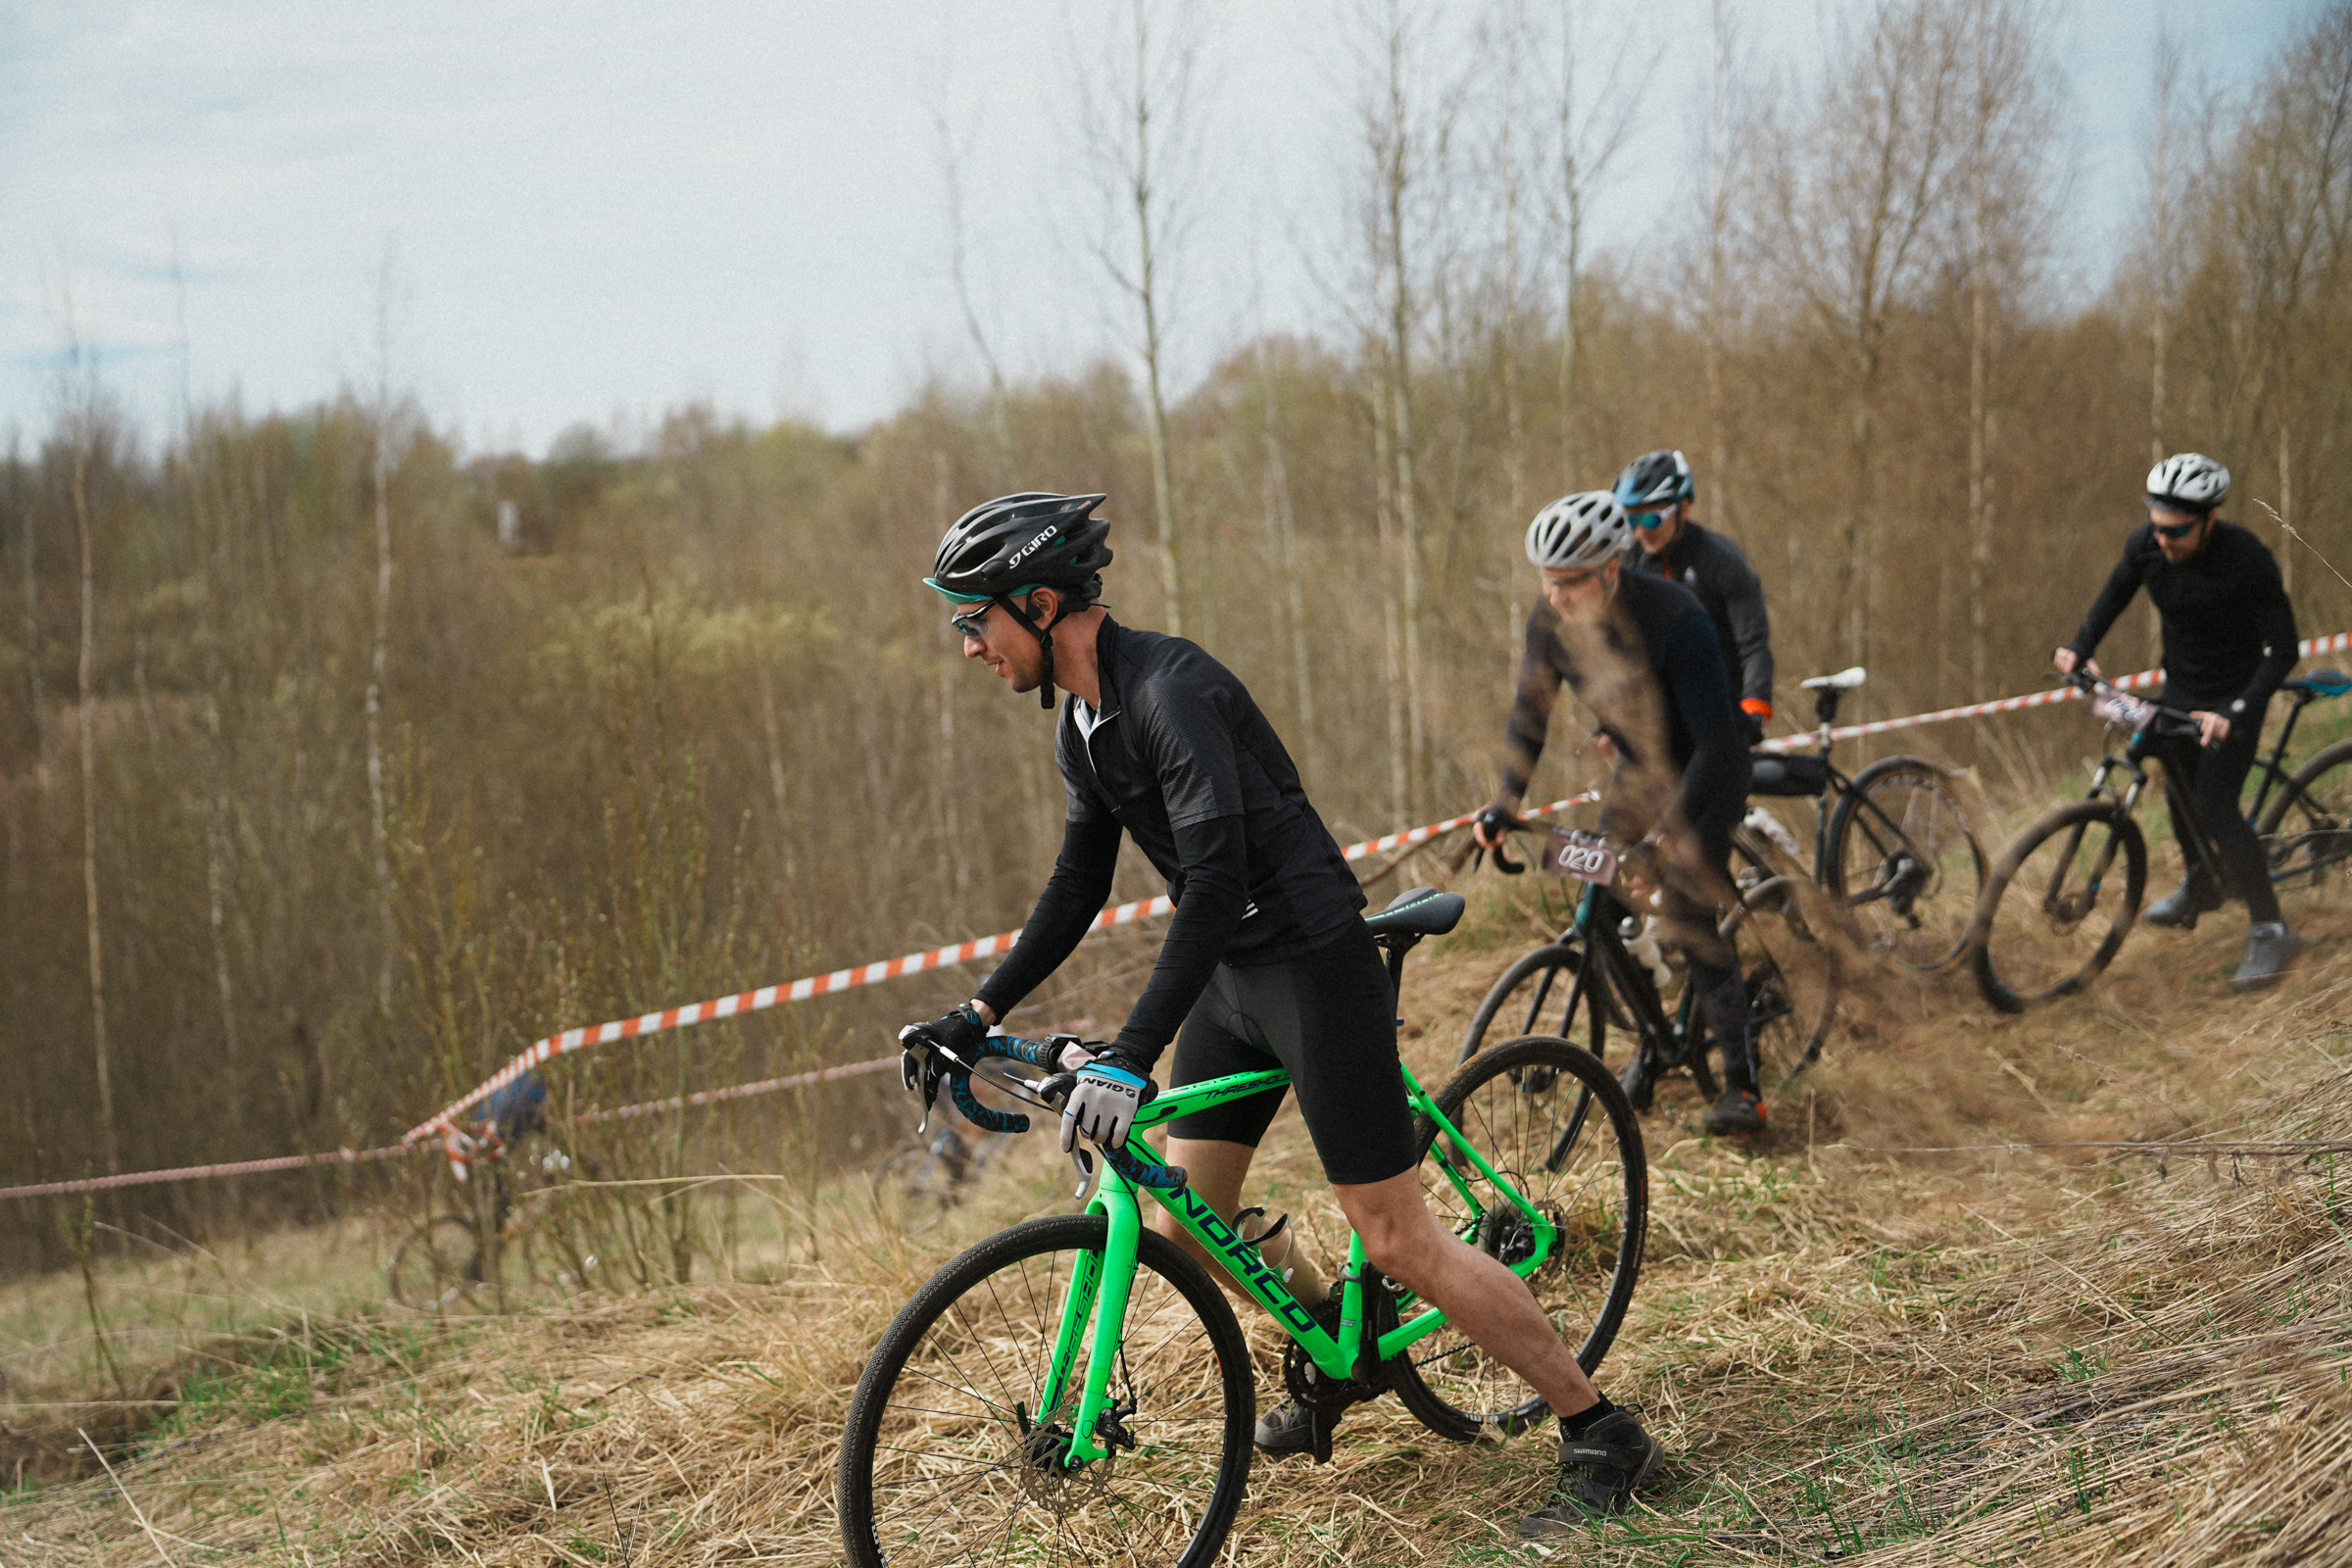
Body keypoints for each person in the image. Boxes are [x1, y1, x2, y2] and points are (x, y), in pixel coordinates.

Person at [896, 491, 1663, 1530]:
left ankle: (1604, 1432)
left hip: (1310, 963)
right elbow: (1078, 883)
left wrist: (1128, 1054)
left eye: (973, 617)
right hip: (1233, 979)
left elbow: (1212, 885)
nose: (971, 644)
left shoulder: (1172, 690)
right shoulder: (1085, 717)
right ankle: (1333, 1347)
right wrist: (977, 1010)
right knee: (1189, 1224)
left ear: (1036, 602)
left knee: (1397, 1239)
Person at [1471, 491, 1764, 1138]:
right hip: (1639, 774)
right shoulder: (1549, 622)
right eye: (1547, 582)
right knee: (1602, 904)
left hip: (1707, 773)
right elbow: (1530, 713)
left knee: (1688, 910)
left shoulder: (1675, 618)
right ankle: (1654, 1046)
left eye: (1569, 583)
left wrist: (1661, 846)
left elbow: (1717, 746)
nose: (1555, 597)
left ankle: (1744, 1086)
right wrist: (1505, 803)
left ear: (1608, 569)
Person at [2054, 453, 2304, 990]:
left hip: (2234, 697)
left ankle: (2272, 928)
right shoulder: (2147, 544)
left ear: (2209, 520)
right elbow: (2115, 595)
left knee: (2214, 803)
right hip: (2182, 688)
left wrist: (2235, 712)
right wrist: (2081, 648)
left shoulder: (2246, 559)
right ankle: (2203, 882)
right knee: (2170, 774)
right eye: (2157, 526)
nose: (2163, 540)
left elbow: (2284, 648)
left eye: (2177, 531)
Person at [1615, 449, 1777, 745]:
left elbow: (1753, 646)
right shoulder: (1630, 563)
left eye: (1652, 519)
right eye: (1631, 521)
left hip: (1722, 707)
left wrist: (1755, 705)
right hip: (1665, 713)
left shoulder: (1722, 561)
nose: (1640, 532)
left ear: (1684, 508)